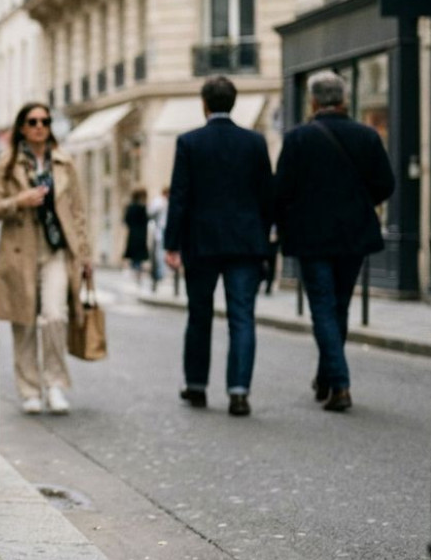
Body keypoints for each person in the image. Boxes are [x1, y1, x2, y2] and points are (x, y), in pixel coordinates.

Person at [274, 71, 394, 412]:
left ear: (313, 101)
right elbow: (385, 184)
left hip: (312, 237)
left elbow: (281, 190)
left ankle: (339, 384)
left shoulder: (298, 139)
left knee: (323, 308)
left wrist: (285, 225)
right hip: (353, 235)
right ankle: (327, 377)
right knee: (338, 306)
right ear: (344, 100)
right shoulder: (366, 136)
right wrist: (359, 202)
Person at [163, 76, 273, 417]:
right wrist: (263, 235)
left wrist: (171, 243)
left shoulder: (190, 142)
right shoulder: (255, 142)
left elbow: (179, 196)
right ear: (234, 103)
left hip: (202, 242)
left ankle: (196, 385)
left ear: (204, 104)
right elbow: (267, 195)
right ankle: (238, 391)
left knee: (200, 315)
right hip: (245, 242)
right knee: (243, 318)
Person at [0, 102, 92, 416]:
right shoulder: (8, 162)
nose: (39, 126)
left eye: (45, 121)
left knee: (55, 316)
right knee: (24, 323)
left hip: (56, 250)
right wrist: (21, 200)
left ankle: (55, 384)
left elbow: (78, 212)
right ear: (22, 127)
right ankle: (30, 389)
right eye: (32, 121)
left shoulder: (64, 162)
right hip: (20, 250)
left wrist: (84, 255)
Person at [122, 188, 150, 286]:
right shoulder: (143, 208)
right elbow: (146, 221)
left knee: (134, 254)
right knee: (139, 255)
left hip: (133, 233)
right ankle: (137, 272)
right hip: (141, 234)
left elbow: (126, 220)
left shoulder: (130, 207)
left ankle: (135, 270)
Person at [147, 186, 169, 290]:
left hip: (166, 230)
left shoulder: (169, 201)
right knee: (158, 253)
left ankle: (162, 273)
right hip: (159, 230)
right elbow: (150, 212)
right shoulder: (159, 201)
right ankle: (159, 274)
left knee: (162, 252)